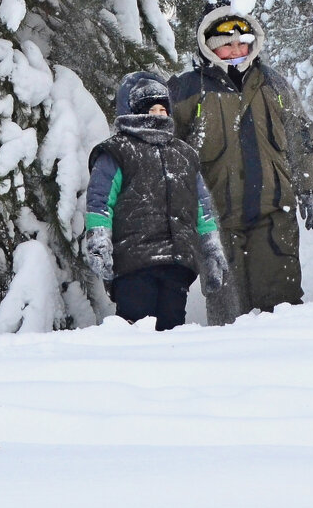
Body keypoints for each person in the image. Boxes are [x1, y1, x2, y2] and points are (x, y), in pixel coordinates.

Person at [168, 5, 313, 324]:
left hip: (273, 212)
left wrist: (309, 188)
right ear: (208, 46)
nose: (237, 50)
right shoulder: (187, 89)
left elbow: (302, 135)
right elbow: (166, 149)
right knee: (226, 311)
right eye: (227, 44)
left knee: (281, 307)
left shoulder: (273, 83)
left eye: (243, 42)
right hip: (214, 219)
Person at [84, 72, 228, 331]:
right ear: (134, 111)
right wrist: (98, 237)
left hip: (177, 262)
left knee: (172, 328)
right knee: (136, 327)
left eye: (163, 109)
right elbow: (100, 200)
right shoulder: (118, 150)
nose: (159, 114)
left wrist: (210, 250)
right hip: (133, 261)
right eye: (152, 109)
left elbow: (202, 208)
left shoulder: (184, 154)